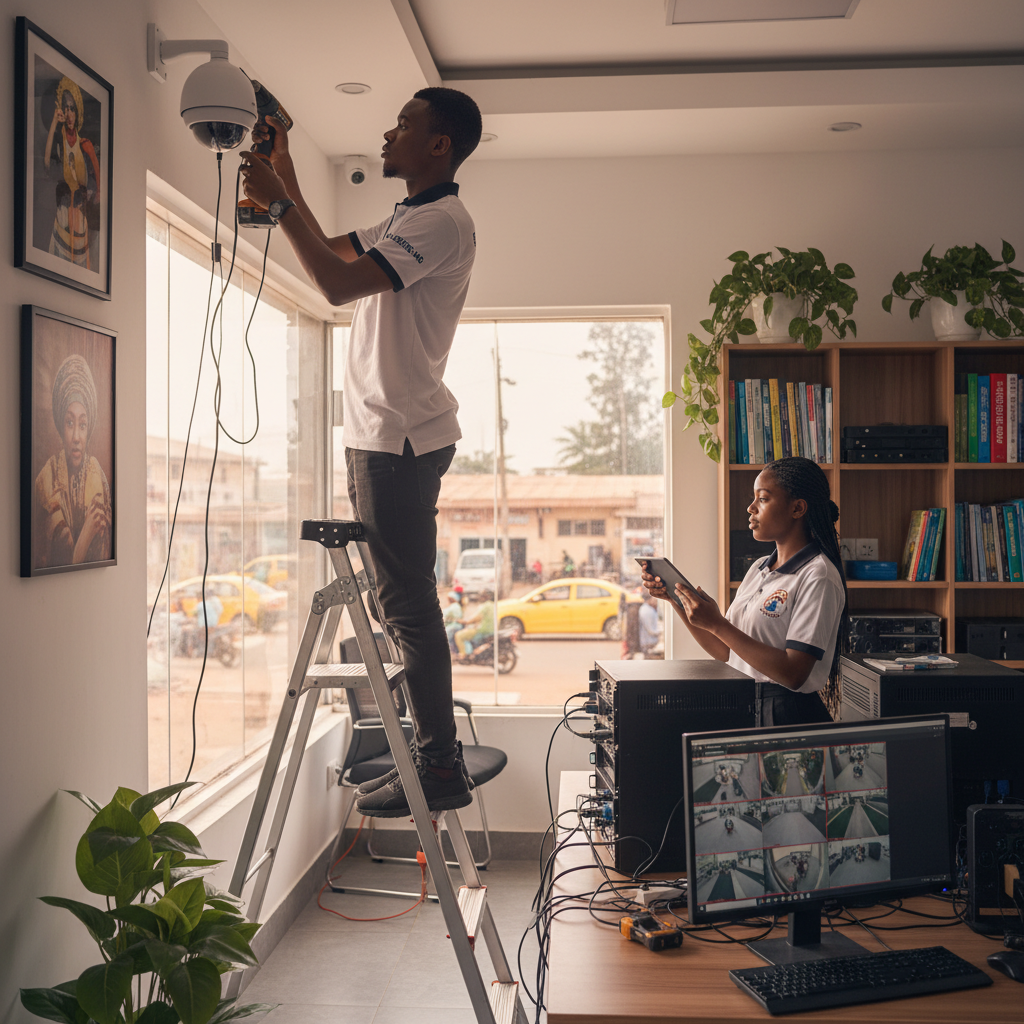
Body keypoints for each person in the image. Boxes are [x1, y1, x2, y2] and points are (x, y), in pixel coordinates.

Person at [240, 87, 482, 817]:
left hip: (398, 439)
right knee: (400, 602)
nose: (389, 131)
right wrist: (284, 177)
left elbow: (339, 284)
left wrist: (279, 203)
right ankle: (430, 754)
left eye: (404, 123)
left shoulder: (441, 222)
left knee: (408, 605)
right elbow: (336, 249)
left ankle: (439, 767)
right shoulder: (409, 216)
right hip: (384, 435)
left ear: (437, 143)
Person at [642, 456, 847, 727]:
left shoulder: (817, 575)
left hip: (787, 715)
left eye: (762, 499)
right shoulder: (760, 568)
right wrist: (676, 599)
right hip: (745, 705)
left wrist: (717, 623)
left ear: (797, 508)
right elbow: (726, 651)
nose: (750, 508)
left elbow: (794, 673)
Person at [33, 354, 112, 569]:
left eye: (83, 425)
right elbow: (57, 563)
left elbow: (103, 553)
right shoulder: (45, 480)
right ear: (61, 426)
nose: (76, 436)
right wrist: (86, 535)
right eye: (70, 423)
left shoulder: (98, 477)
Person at [44, 77, 100, 267]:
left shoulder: (85, 146)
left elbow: (96, 184)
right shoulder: (59, 140)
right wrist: (53, 123)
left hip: (80, 222)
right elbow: (48, 165)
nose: (69, 114)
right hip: (62, 220)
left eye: (72, 108)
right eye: (65, 108)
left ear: (77, 112)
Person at [637, 593, 661, 657]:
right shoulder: (647, 611)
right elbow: (651, 630)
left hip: (649, 642)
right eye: (654, 599)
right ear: (650, 599)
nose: (656, 601)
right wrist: (661, 632)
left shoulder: (649, 609)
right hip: (649, 643)